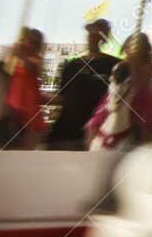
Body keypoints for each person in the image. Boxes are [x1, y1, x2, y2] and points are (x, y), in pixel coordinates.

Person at [47, 18, 116, 150]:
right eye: (90, 34)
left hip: (95, 134)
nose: (92, 38)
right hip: (65, 132)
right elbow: (61, 97)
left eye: (97, 35)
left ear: (105, 38)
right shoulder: (71, 65)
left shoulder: (113, 65)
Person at [86, 33, 152, 150]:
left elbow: (142, 82)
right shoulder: (121, 75)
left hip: (137, 107)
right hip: (124, 102)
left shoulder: (145, 74)